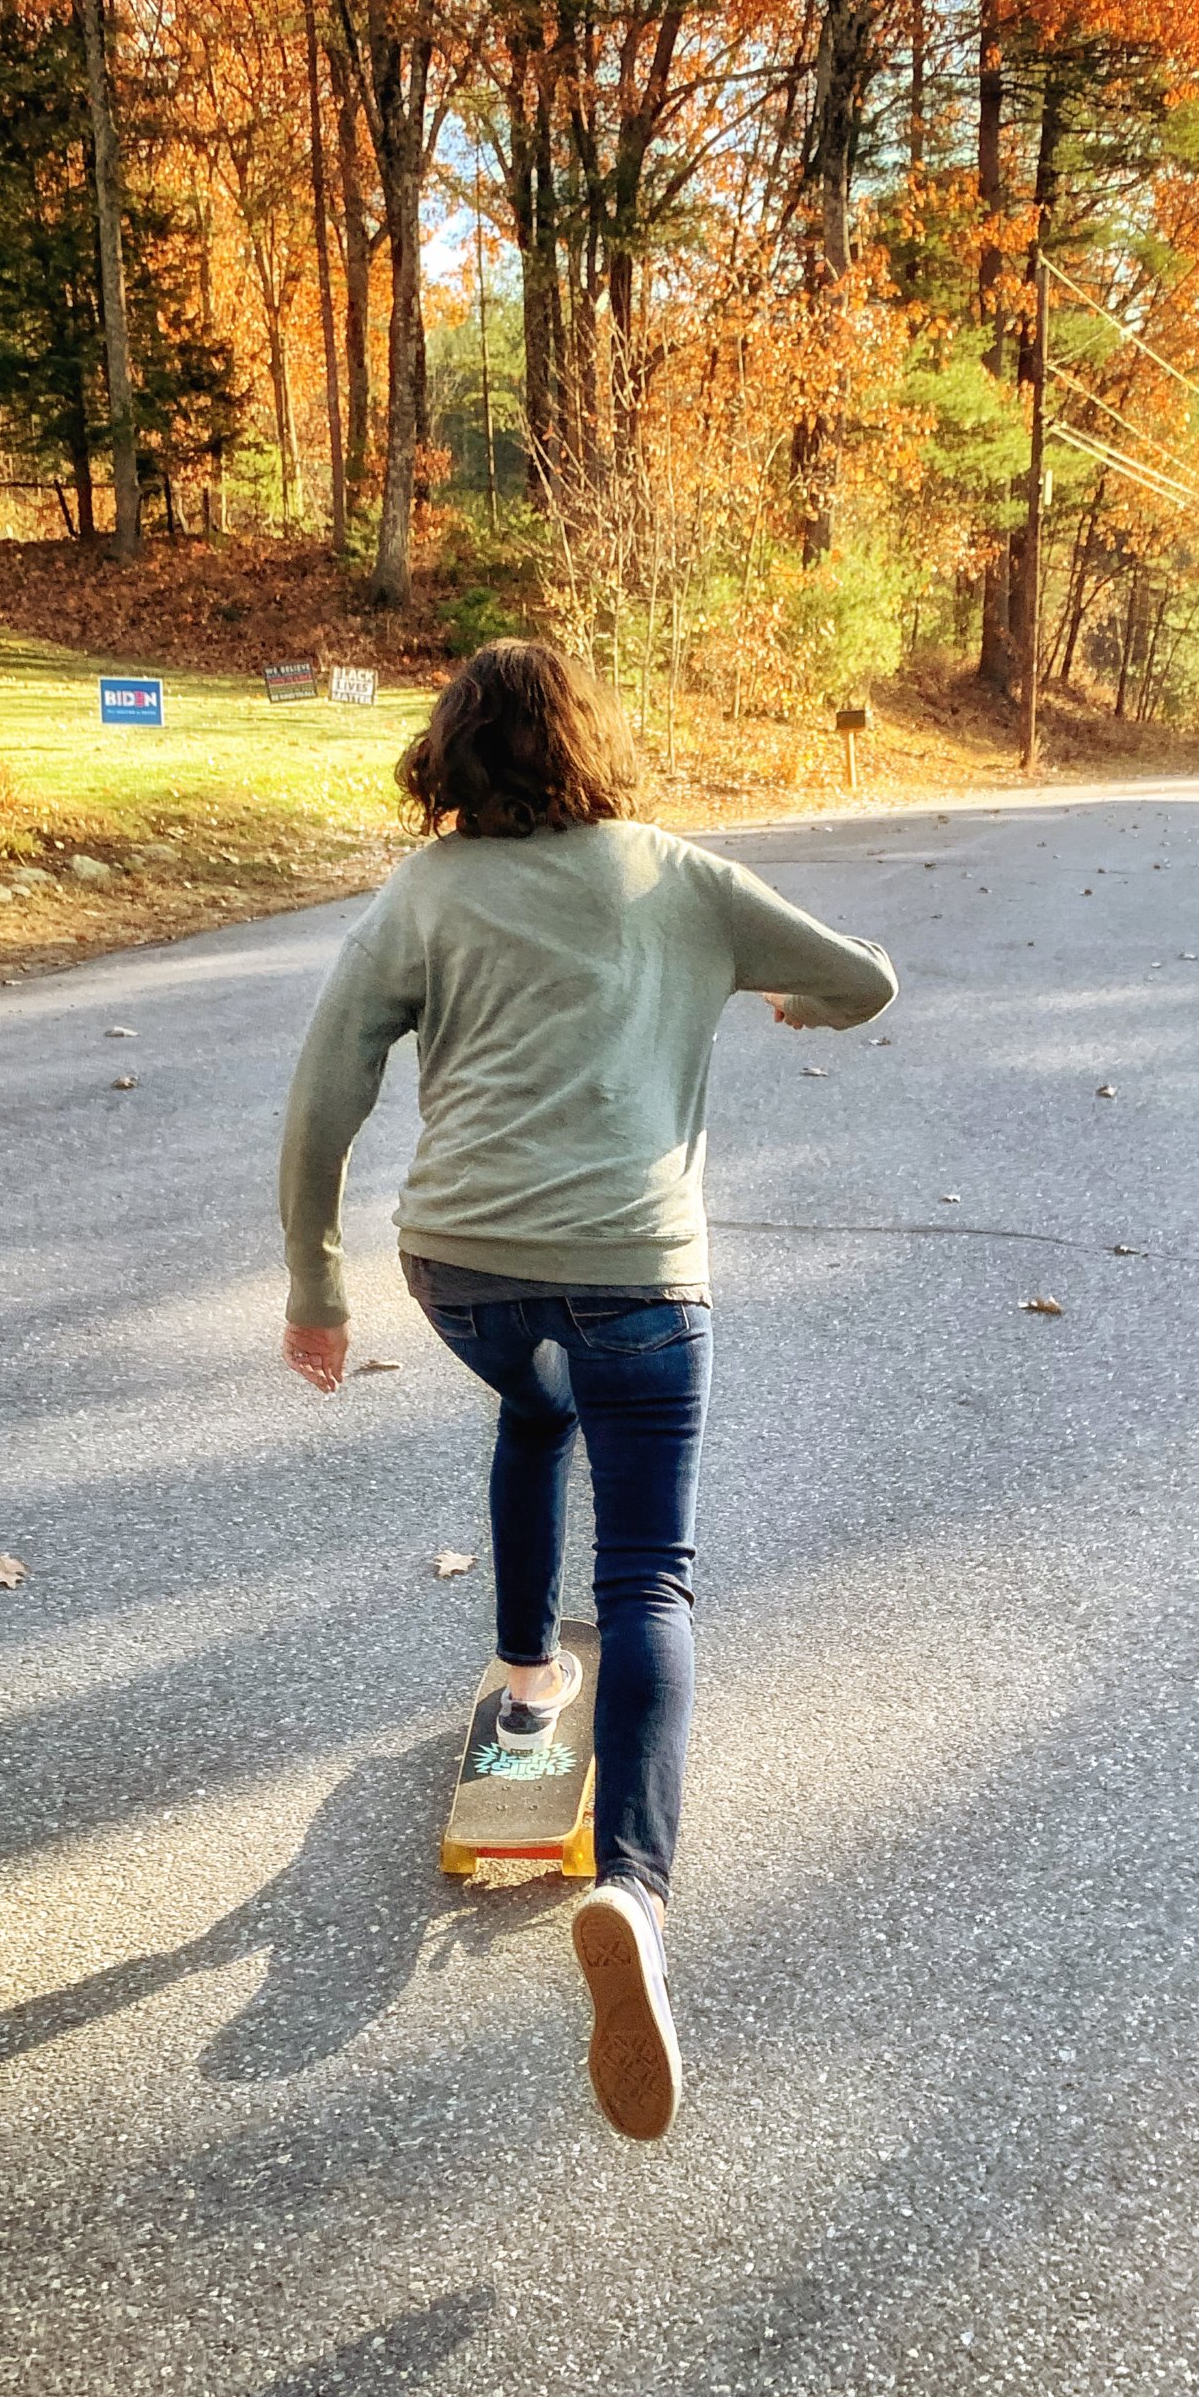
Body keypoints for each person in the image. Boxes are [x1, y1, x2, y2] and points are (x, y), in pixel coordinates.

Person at [278, 640, 896, 2140]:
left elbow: (326, 1090)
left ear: (448, 753)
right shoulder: (675, 877)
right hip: (636, 1281)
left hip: (464, 1281)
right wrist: (790, 1010)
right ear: (585, 741)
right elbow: (863, 982)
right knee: (650, 1580)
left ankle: (526, 1682)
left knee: (529, 1410)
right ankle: (630, 1886)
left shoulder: (423, 892)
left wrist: (315, 1286)